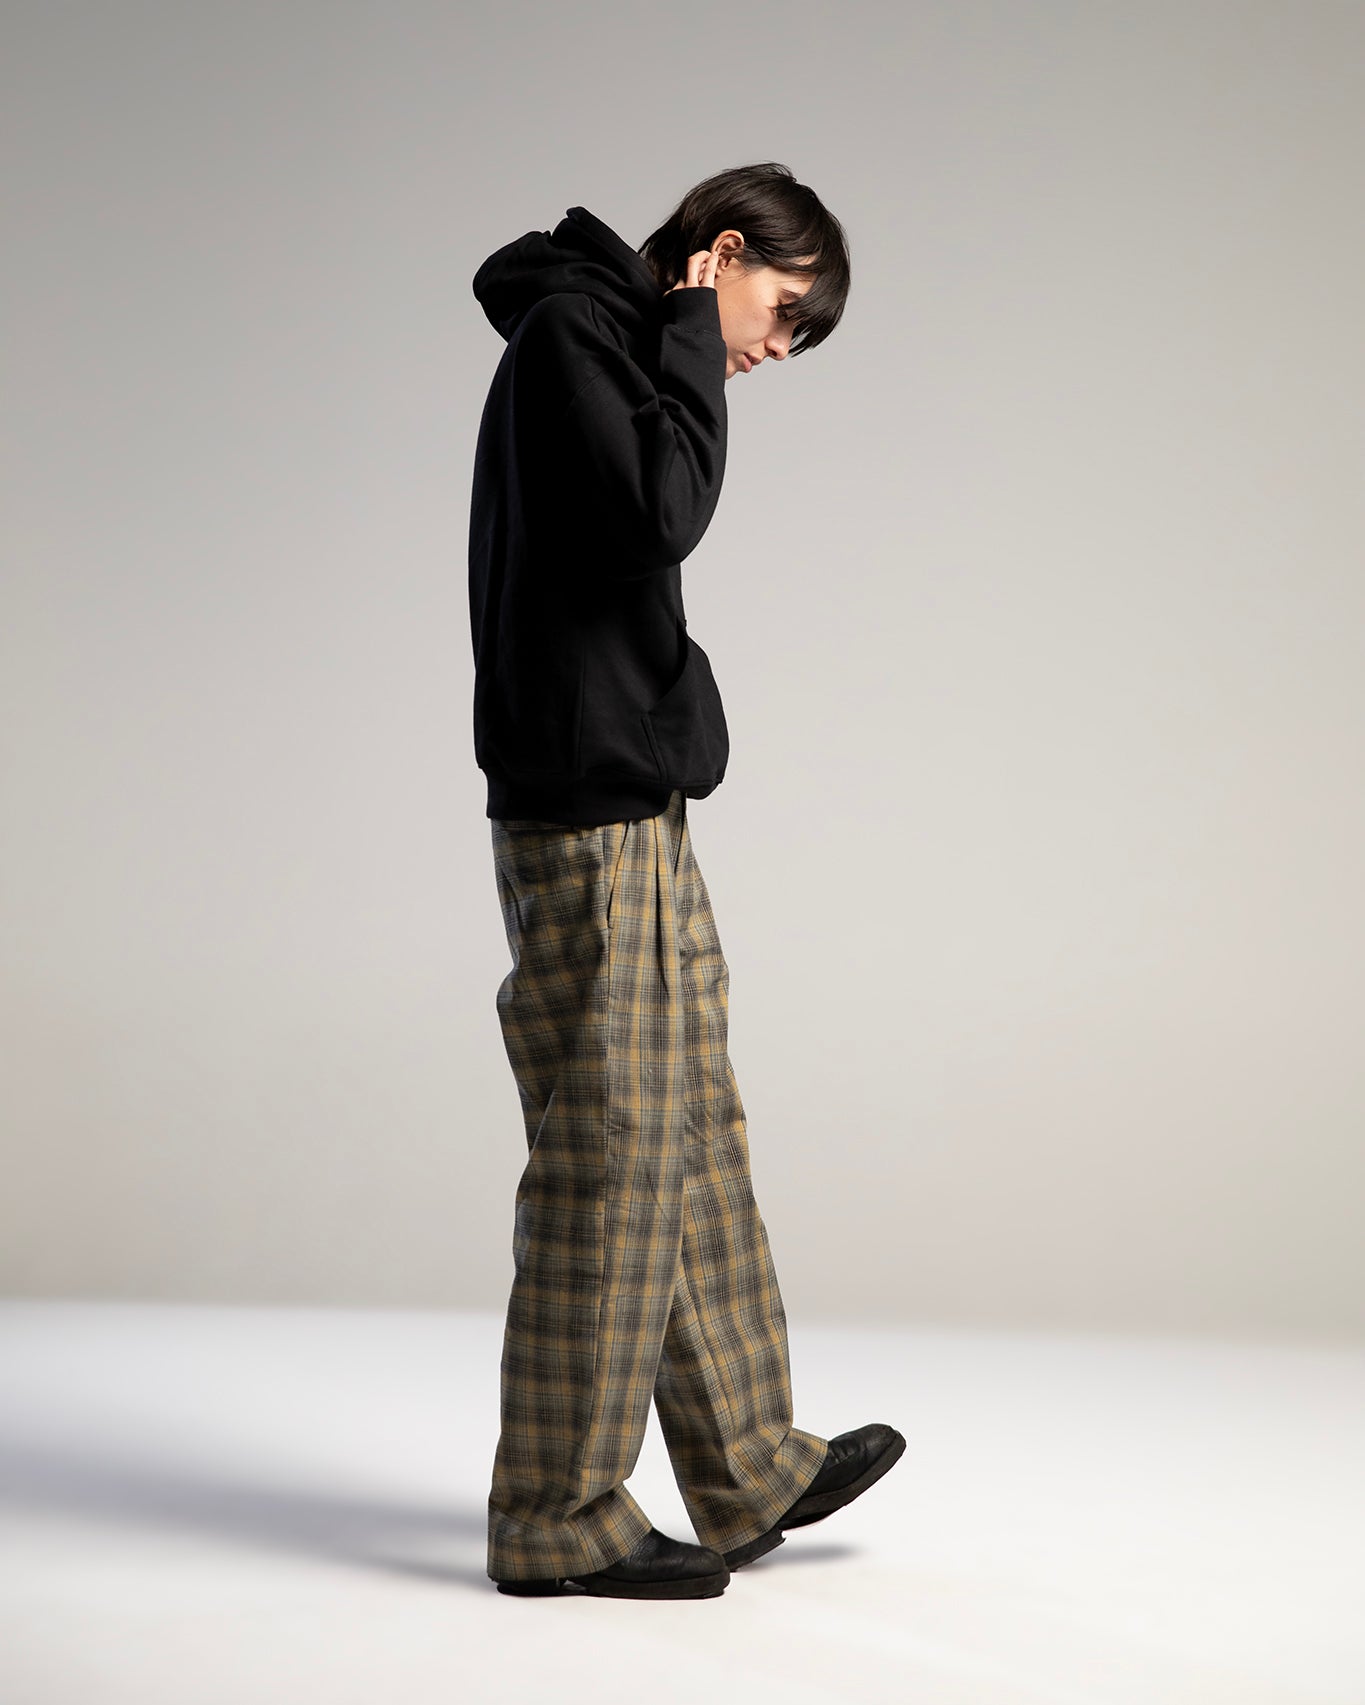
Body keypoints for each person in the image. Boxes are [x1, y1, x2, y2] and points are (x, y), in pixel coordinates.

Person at [467, 162, 904, 1601]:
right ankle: (555, 1511)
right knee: (613, 1151)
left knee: (691, 1130)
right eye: (783, 312)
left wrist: (685, 343)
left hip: (630, 791)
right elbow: (662, 512)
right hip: (583, 803)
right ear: (723, 253)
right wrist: (690, 339)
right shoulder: (575, 335)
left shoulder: (608, 339)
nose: (776, 350)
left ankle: (745, 1463)